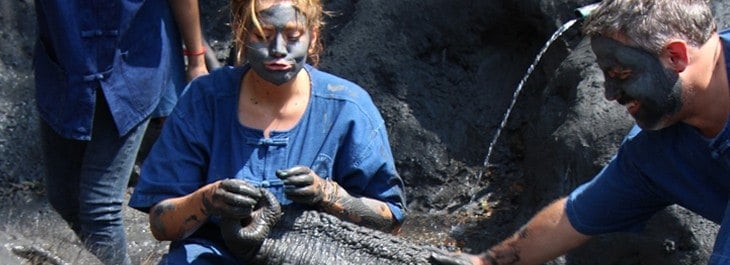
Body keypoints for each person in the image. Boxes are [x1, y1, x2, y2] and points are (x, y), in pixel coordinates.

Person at [429, 0, 730, 264]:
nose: (611, 94)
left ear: (676, 56)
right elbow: (574, 216)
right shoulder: (655, 151)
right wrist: (487, 263)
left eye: (621, 75)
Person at [128, 0, 408, 263]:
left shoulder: (347, 108)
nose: (277, 49)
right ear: (240, 31)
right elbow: (161, 224)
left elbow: (392, 221)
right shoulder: (205, 100)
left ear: (313, 34)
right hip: (214, 253)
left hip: (311, 252)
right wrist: (208, 199)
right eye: (263, 35)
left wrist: (329, 195)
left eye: (292, 36)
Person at [33, 0, 206, 264]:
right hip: (65, 63)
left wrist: (196, 58)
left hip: (131, 68)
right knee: (64, 196)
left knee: (98, 207)